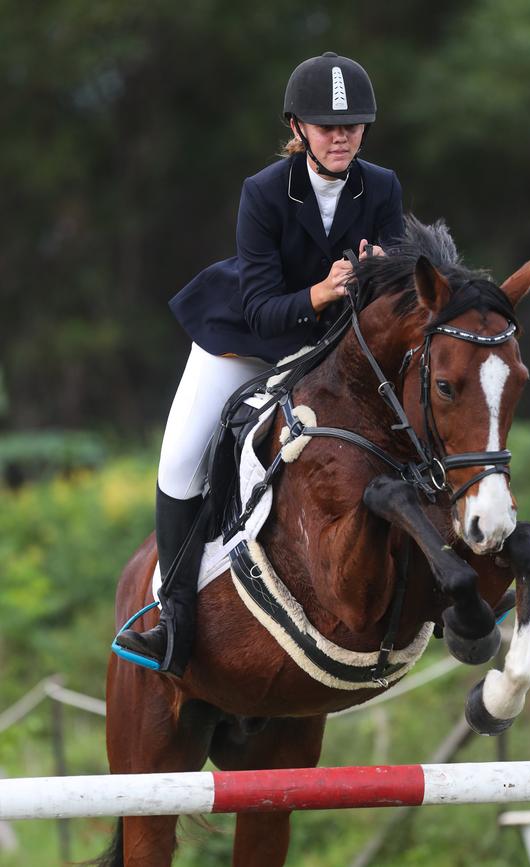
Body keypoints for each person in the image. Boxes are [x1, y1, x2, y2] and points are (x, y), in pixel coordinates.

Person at [114, 51, 405, 676]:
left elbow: (395, 295)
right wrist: (323, 293)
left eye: (352, 124)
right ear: (298, 128)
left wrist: (385, 277)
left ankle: (456, 577)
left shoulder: (380, 187)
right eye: (327, 125)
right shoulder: (265, 193)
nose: (341, 135)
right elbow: (261, 307)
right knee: (181, 461)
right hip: (245, 340)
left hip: (326, 351)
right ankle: (175, 619)